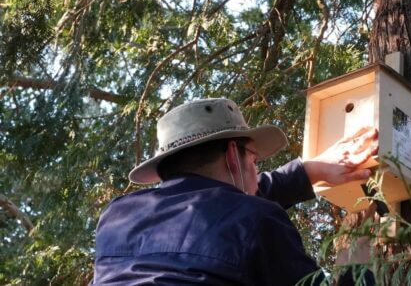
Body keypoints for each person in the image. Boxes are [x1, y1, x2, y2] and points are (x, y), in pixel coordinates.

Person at [92, 98, 378, 285]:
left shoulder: (116, 216)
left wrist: (309, 170)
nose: (257, 172)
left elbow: (217, 208)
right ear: (232, 155)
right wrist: (358, 259)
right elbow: (234, 211)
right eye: (254, 160)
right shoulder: (256, 219)